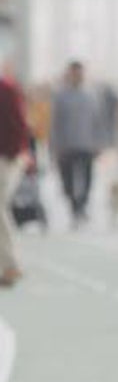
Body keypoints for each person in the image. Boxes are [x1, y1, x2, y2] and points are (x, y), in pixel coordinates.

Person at [51, 60, 104, 227]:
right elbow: (56, 122)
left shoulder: (91, 95)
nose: (77, 76)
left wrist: (99, 142)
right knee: (67, 179)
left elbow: (98, 121)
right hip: (67, 144)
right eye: (74, 72)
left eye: (80, 72)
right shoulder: (61, 96)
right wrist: (55, 145)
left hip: (87, 144)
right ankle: (74, 206)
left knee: (87, 177)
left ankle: (82, 206)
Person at [0, 71, 31, 285]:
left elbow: (20, 124)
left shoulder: (6, 87)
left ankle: (12, 264)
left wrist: (15, 154)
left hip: (7, 158)